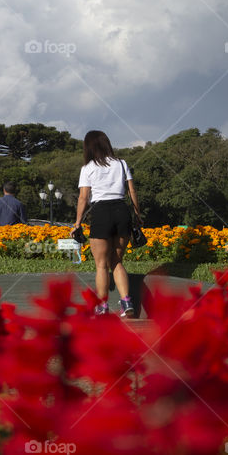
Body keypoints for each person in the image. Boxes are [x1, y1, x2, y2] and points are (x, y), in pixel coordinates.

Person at [73, 130, 141, 318]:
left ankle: (102, 307)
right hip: (122, 211)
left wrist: (77, 222)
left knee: (101, 265)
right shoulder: (121, 163)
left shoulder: (88, 168)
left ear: (89, 147)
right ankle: (126, 302)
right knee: (117, 261)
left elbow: (83, 197)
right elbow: (132, 191)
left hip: (101, 212)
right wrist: (137, 214)